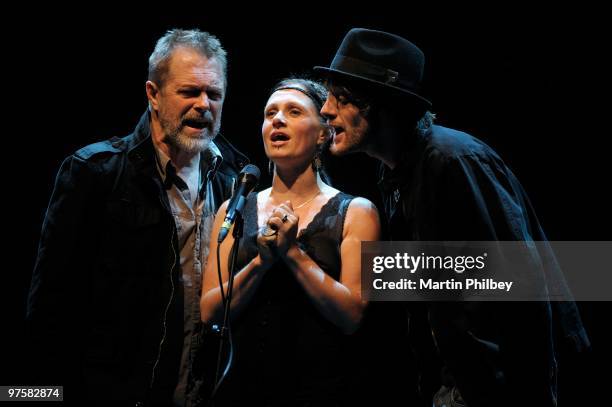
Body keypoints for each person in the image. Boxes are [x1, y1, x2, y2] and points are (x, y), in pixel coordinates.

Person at [315, 28, 590, 407]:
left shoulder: (452, 161)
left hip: (502, 382)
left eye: (341, 98)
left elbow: (521, 285)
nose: (326, 109)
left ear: (379, 105)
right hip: (463, 377)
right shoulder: (396, 172)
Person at [26, 29, 248, 406]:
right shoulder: (96, 173)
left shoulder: (235, 180)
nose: (203, 105)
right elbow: (50, 308)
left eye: (214, 94)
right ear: (153, 95)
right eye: (189, 92)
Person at [199, 77, 380, 406]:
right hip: (242, 390)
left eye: (294, 112)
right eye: (270, 114)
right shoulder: (234, 208)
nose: (277, 120)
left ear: (323, 133)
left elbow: (353, 315)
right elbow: (210, 310)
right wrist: (260, 263)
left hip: (322, 390)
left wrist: (292, 254)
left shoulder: (357, 212)